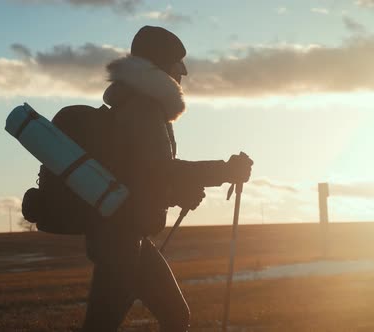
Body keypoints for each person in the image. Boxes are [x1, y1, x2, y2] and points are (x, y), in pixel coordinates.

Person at [82, 26, 253, 332]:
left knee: (167, 317)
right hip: (121, 241)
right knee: (164, 318)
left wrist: (178, 193)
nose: (184, 71)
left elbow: (141, 176)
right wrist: (225, 170)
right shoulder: (143, 108)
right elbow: (161, 170)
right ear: (161, 64)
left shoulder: (137, 104)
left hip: (120, 236)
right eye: (178, 62)